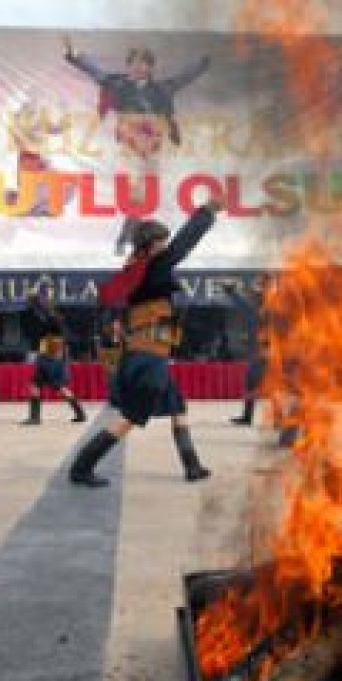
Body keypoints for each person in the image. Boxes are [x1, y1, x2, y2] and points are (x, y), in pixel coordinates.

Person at [69, 201, 223, 486]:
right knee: (128, 420)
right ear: (152, 245)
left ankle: (192, 466)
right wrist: (207, 213)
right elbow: (184, 243)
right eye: (162, 242)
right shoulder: (151, 267)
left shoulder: (137, 269)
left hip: (151, 353)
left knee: (178, 406)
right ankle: (81, 467)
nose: (167, 247)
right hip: (148, 357)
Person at [63, 38, 209, 253]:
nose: (138, 68)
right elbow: (95, 72)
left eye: (143, 64)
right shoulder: (118, 83)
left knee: (145, 196)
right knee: (136, 194)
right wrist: (74, 54)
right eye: (134, 64)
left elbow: (184, 78)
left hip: (154, 147)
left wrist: (203, 62)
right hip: (128, 146)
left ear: (150, 68)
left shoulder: (161, 88)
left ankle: (133, 238)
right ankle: (125, 239)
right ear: (128, 66)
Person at [20, 294, 86, 425]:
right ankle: (35, 417)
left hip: (52, 350)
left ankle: (80, 413)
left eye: (30, 303)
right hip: (49, 349)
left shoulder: (50, 317)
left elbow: (58, 335)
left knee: (58, 386)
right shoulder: (47, 316)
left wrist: (55, 349)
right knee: (37, 383)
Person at [226, 276, 268, 426]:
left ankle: (247, 417)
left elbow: (242, 304)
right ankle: (278, 418)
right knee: (272, 385)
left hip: (260, 354)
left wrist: (231, 291)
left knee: (253, 384)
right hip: (270, 353)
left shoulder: (256, 311)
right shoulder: (272, 309)